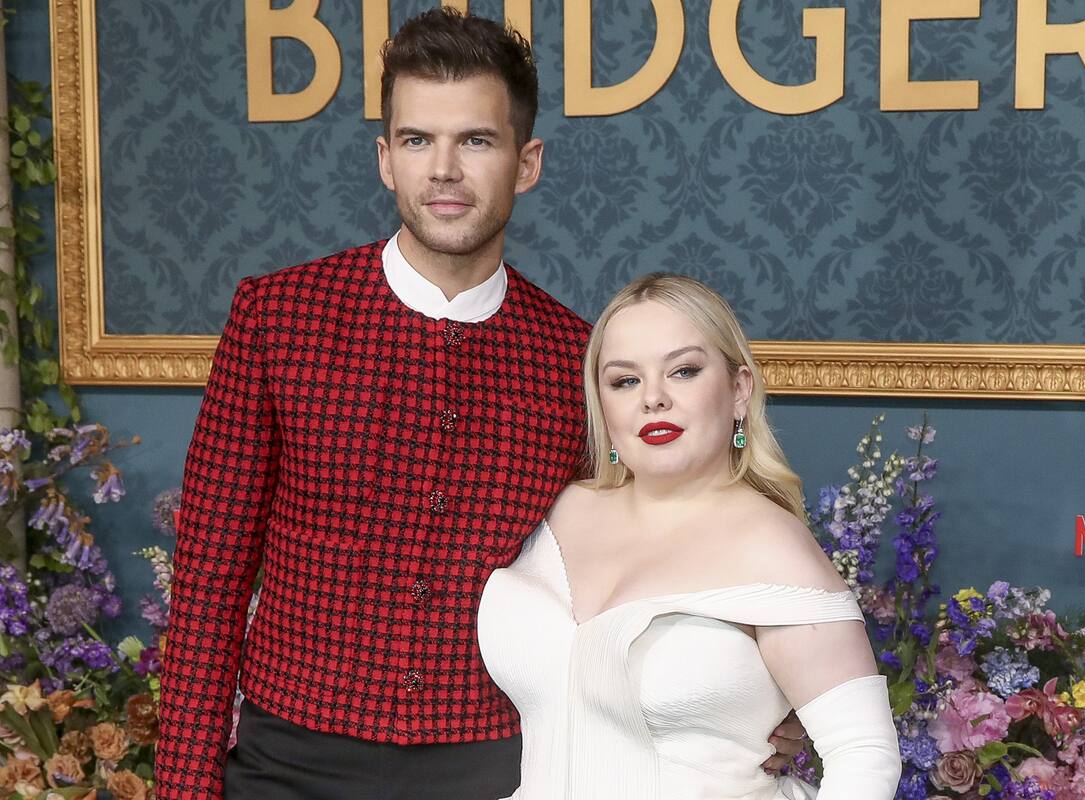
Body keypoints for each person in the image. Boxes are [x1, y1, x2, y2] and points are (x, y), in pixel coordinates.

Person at [155, 10, 804, 800]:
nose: (444, 171)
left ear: (525, 163)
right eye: (418, 141)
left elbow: (661, 534)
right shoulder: (278, 316)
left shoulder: (579, 358)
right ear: (385, 159)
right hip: (288, 760)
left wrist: (764, 681)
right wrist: (185, 786)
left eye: (477, 141)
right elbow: (209, 576)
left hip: (495, 767)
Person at [478, 273, 903, 799]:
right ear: (603, 406)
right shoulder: (556, 510)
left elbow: (864, 755)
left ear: (739, 389)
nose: (654, 399)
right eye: (625, 380)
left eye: (683, 371)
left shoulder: (772, 546)